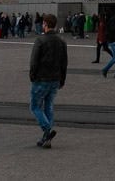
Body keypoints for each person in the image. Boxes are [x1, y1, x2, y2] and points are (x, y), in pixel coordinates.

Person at [29, 14, 68, 148]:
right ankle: (47, 139)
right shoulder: (61, 41)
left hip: (41, 78)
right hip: (55, 79)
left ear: (45, 24)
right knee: (48, 106)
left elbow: (34, 61)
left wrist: (32, 75)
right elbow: (64, 63)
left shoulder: (40, 40)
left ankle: (47, 130)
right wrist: (62, 79)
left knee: (35, 106)